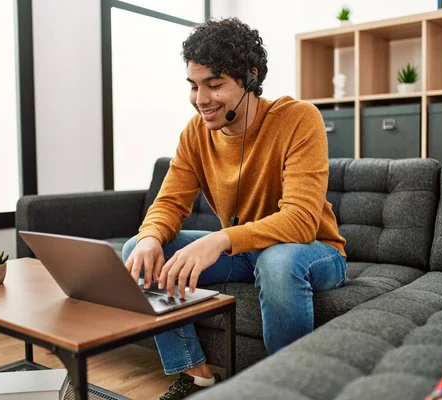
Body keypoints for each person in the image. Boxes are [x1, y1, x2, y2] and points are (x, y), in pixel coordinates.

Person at [122, 17, 347, 400]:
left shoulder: (299, 119)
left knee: (277, 262)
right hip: (246, 252)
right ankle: (195, 375)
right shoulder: (195, 133)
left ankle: (285, 389)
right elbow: (169, 202)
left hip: (313, 252)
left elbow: (302, 220)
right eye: (194, 86)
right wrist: (149, 238)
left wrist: (220, 240)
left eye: (214, 84)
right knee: (137, 251)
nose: (201, 99)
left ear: (250, 77)